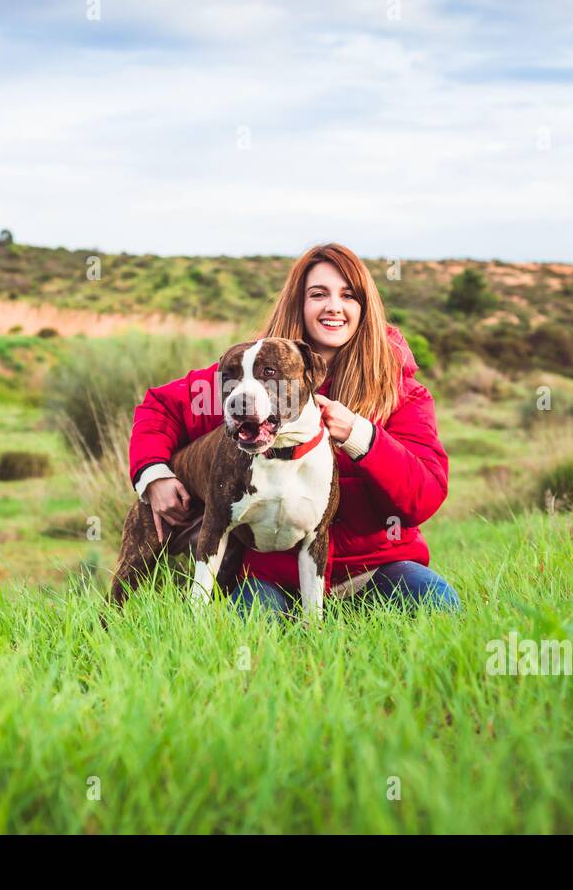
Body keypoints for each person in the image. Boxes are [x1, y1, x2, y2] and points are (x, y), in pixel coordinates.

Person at [127, 243, 460, 616]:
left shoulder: (400, 392)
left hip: (374, 569)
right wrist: (153, 475)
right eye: (318, 294)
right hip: (272, 575)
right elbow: (161, 406)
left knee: (439, 607)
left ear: (364, 308)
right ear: (298, 303)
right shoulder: (249, 373)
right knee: (250, 635)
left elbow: (424, 496)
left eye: (348, 295)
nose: (334, 306)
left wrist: (359, 437)